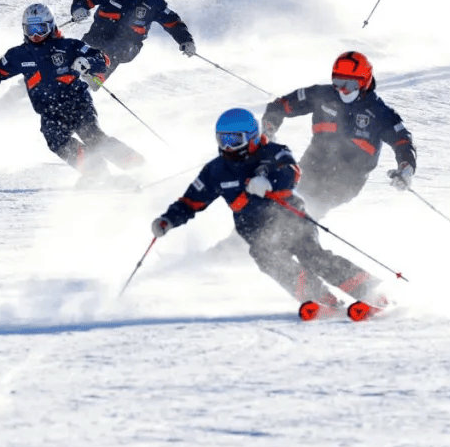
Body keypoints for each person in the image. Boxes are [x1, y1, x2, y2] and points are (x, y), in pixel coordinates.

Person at [151, 108, 388, 313]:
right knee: (266, 256)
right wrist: (168, 220)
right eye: (223, 140)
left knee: (311, 256)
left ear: (252, 137)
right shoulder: (217, 170)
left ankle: (369, 290)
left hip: (290, 219)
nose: (228, 146)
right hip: (255, 230)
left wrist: (269, 181)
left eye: (234, 140)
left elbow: (291, 172)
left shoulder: (273, 152)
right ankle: (321, 299)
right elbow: (192, 201)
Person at [0, 3, 144, 179]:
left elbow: (102, 59)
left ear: (51, 25)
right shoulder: (19, 55)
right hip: (49, 111)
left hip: (77, 103)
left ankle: (136, 165)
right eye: (30, 30)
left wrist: (88, 63)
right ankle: (97, 172)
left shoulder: (69, 46)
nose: (36, 35)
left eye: (40, 28)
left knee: (93, 137)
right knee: (57, 142)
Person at [261, 52, 416, 221]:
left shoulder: (380, 113)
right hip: (311, 166)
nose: (343, 89)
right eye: (338, 82)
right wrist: (269, 127)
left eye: (350, 84)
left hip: (347, 179)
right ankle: (247, 238)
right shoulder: (322, 95)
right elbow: (280, 106)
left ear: (365, 82)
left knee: (306, 209)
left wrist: (405, 168)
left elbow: (403, 141)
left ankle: (298, 238)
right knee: (277, 201)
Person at [69, 0, 196, 78]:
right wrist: (79, 9)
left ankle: (95, 76)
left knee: (117, 49)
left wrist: (186, 40)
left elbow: (173, 23)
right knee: (80, 51)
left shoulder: (153, 3)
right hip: (99, 34)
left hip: (128, 45)